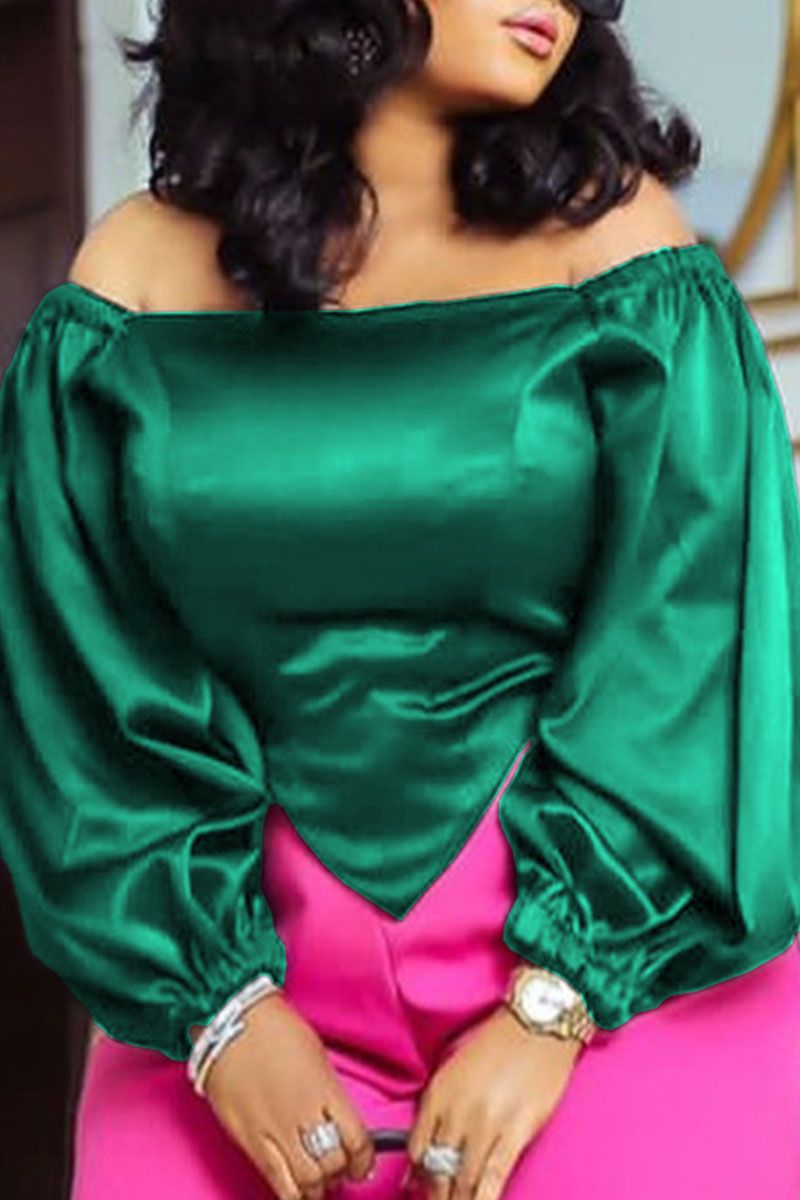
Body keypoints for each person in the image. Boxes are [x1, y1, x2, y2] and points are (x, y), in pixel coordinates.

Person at [1, 1, 799, 1198]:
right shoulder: (128, 285)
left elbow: (698, 643)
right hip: (220, 988)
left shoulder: (621, 254)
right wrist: (220, 1011)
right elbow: (80, 676)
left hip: (616, 976)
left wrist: (555, 1006)